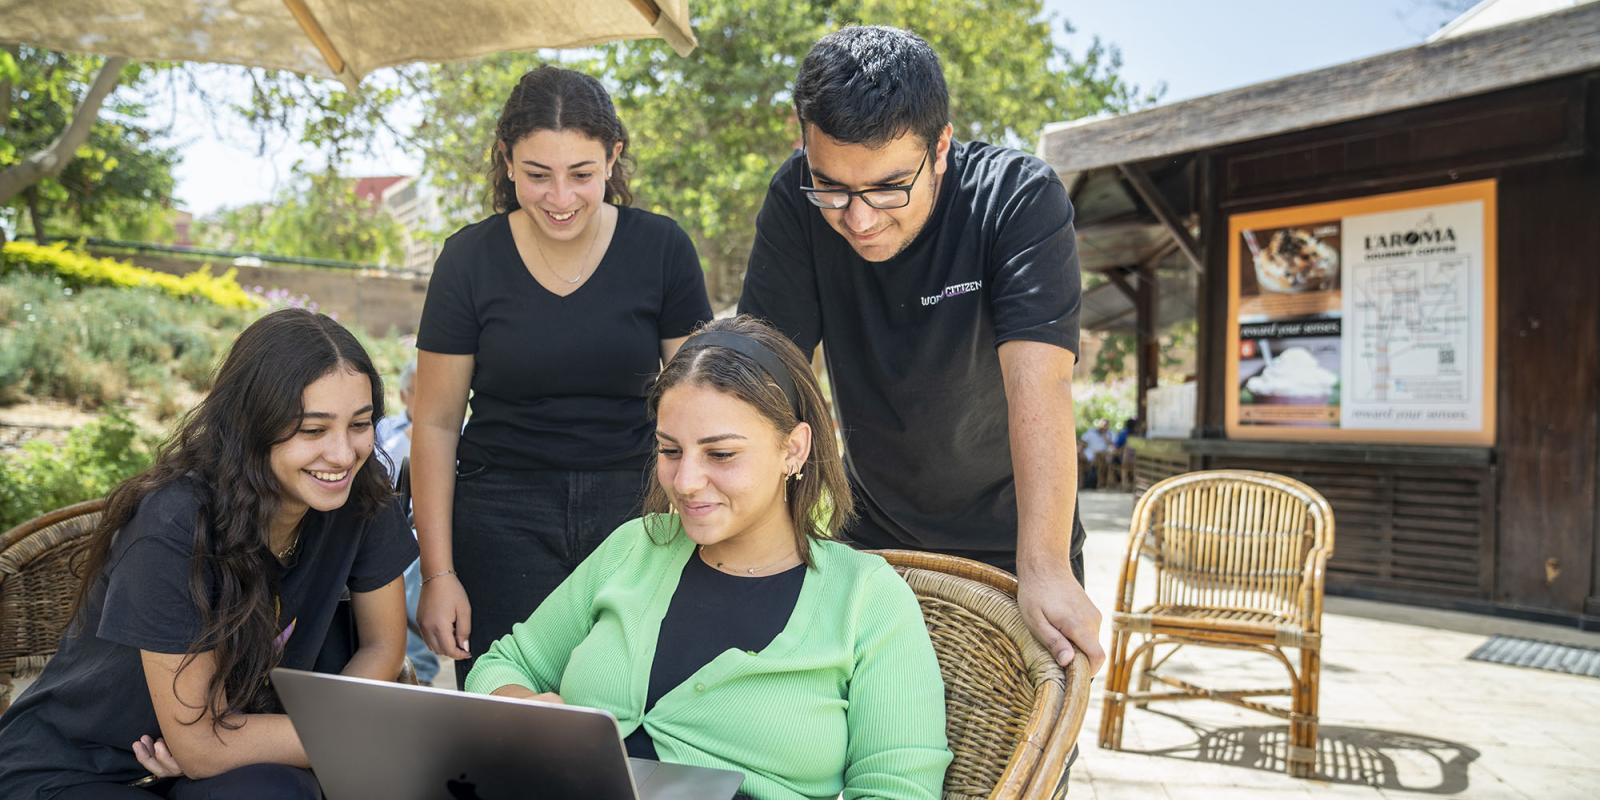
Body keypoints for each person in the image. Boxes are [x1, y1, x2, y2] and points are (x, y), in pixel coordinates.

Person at [737, 25, 1103, 673]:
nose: (860, 218)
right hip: (872, 527)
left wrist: (1043, 565)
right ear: (804, 145)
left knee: (1014, 763)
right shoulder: (794, 202)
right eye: (834, 187)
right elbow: (765, 385)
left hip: (1012, 536)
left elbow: (1039, 386)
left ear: (940, 148)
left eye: (887, 187)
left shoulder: (1016, 201)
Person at [464, 316, 952, 800]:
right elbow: (503, 665)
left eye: (720, 455)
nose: (685, 482)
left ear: (794, 449)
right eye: (670, 450)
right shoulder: (636, 546)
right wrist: (528, 710)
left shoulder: (867, 598)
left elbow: (898, 789)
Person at [0, 309, 418, 799]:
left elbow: (383, 649)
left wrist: (247, 742)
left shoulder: (360, 497)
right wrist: (363, 736)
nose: (344, 454)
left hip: (227, 755)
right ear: (250, 426)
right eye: (312, 430)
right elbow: (202, 744)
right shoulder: (174, 523)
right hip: (79, 768)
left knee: (278, 793)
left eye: (361, 424)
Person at [412, 65, 714, 687]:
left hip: (637, 513)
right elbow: (437, 423)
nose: (560, 198)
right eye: (536, 175)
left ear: (613, 157)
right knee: (508, 718)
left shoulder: (662, 249)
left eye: (581, 174)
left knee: (637, 701)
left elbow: (704, 407)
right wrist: (439, 575)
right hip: (499, 514)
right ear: (505, 160)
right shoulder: (468, 259)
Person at [373, 358, 442, 685]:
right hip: (385, 517)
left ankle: (419, 669)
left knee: (414, 558)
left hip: (428, 525)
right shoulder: (385, 430)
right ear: (404, 396)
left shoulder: (457, 434)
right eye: (419, 391)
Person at [1080, 418, 1112, 488]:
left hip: (1103, 456)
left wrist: (1105, 437)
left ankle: (1100, 483)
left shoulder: (1109, 434)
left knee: (1102, 459)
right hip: (1089, 454)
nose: (1104, 427)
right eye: (1103, 425)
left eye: (1106, 425)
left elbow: (1111, 446)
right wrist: (1081, 452)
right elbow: (1082, 443)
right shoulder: (1091, 432)